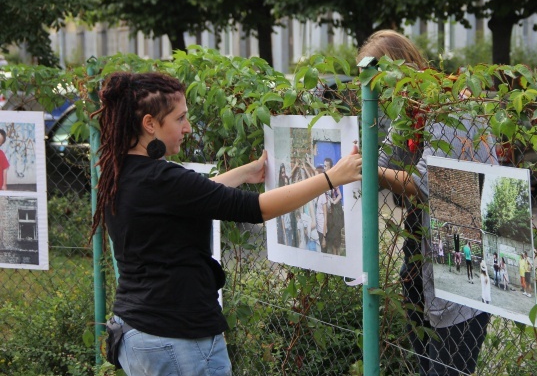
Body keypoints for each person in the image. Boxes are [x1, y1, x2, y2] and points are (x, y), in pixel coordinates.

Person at [90, 71, 362, 376]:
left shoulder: (122, 172)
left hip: (138, 334)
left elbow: (191, 196)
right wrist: (330, 178)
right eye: (180, 119)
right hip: (177, 339)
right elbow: (255, 208)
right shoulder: (162, 179)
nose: (188, 128)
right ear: (150, 123)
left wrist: (245, 174)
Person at [363, 29, 495, 376]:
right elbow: (383, 158)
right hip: (421, 245)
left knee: (448, 365)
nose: (380, 98)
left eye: (382, 86)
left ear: (403, 71)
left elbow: (424, 184)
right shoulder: (411, 110)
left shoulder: (449, 104)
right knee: (426, 362)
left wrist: (364, 168)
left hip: (465, 248)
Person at [324, 157, 344, 255]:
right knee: (331, 239)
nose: (324, 168)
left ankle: (338, 256)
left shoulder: (332, 180)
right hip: (328, 214)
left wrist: (333, 201)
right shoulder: (324, 179)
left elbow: (340, 195)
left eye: (325, 166)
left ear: (330, 167)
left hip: (335, 214)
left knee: (336, 238)